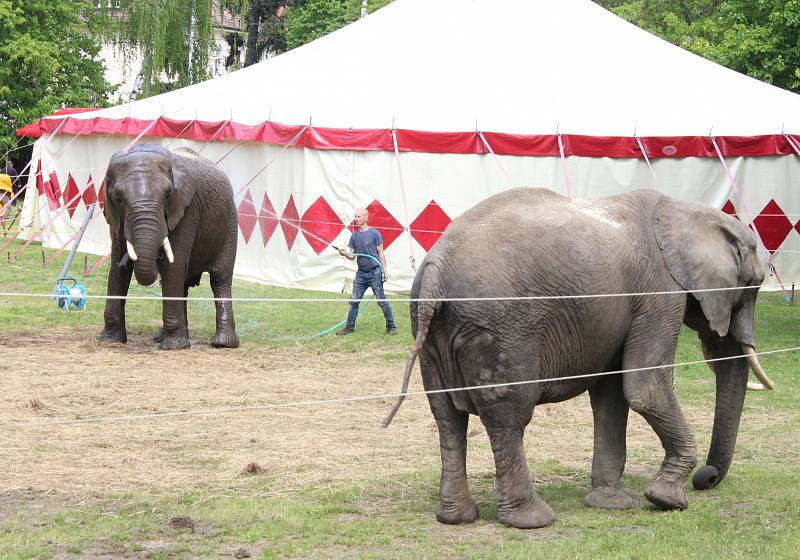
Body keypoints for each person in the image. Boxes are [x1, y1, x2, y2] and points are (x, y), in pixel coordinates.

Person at [336, 208, 397, 336]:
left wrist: (384, 272)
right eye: (355, 216)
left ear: (365, 218)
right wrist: (344, 253)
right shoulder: (354, 236)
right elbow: (352, 256)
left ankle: (391, 327)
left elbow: (381, 253)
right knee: (354, 301)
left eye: (358, 216)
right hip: (361, 274)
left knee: (381, 300)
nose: (356, 219)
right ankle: (349, 328)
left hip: (375, 273)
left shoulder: (375, 234)